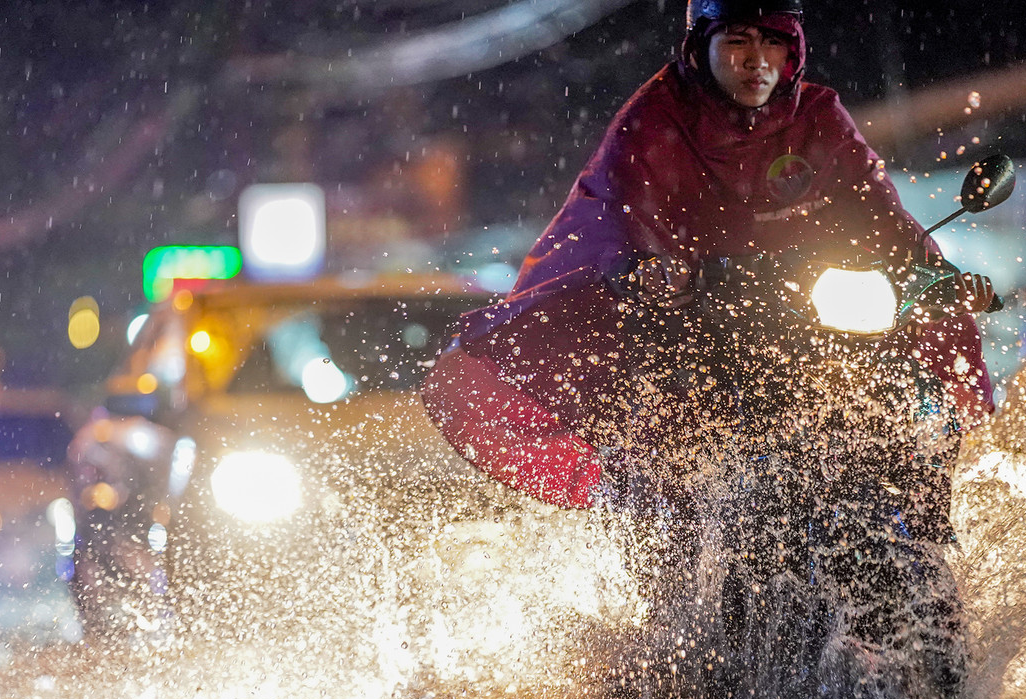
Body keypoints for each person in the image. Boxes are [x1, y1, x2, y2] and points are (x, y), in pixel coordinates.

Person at [422, 0, 995, 524]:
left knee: (908, 406)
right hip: (692, 323)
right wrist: (655, 270)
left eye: (774, 43)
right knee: (673, 467)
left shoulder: (819, 115)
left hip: (808, 319)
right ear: (701, 48)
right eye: (738, 43)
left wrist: (942, 278)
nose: (757, 61)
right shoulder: (653, 119)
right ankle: (682, 581)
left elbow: (882, 211)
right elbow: (629, 212)